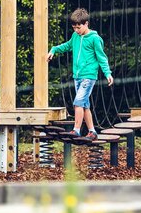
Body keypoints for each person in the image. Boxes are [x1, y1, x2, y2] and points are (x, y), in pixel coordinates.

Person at [46, 7, 113, 140]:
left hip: (89, 76)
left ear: (86, 24)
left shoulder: (94, 39)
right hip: (77, 76)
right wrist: (53, 49)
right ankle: (92, 132)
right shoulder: (75, 36)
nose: (76, 30)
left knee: (78, 102)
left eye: (79, 27)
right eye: (74, 27)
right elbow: (67, 46)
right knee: (84, 105)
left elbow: (101, 57)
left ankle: (76, 130)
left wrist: (108, 73)